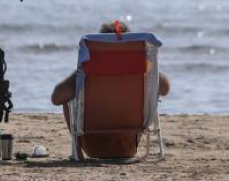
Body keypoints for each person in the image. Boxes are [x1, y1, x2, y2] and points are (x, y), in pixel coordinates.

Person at [51, 20, 170, 158]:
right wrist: (149, 71)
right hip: (127, 149)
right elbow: (165, 89)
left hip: (93, 148)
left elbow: (57, 98)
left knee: (71, 94)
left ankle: (77, 150)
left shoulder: (88, 70)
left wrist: (79, 74)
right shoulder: (140, 70)